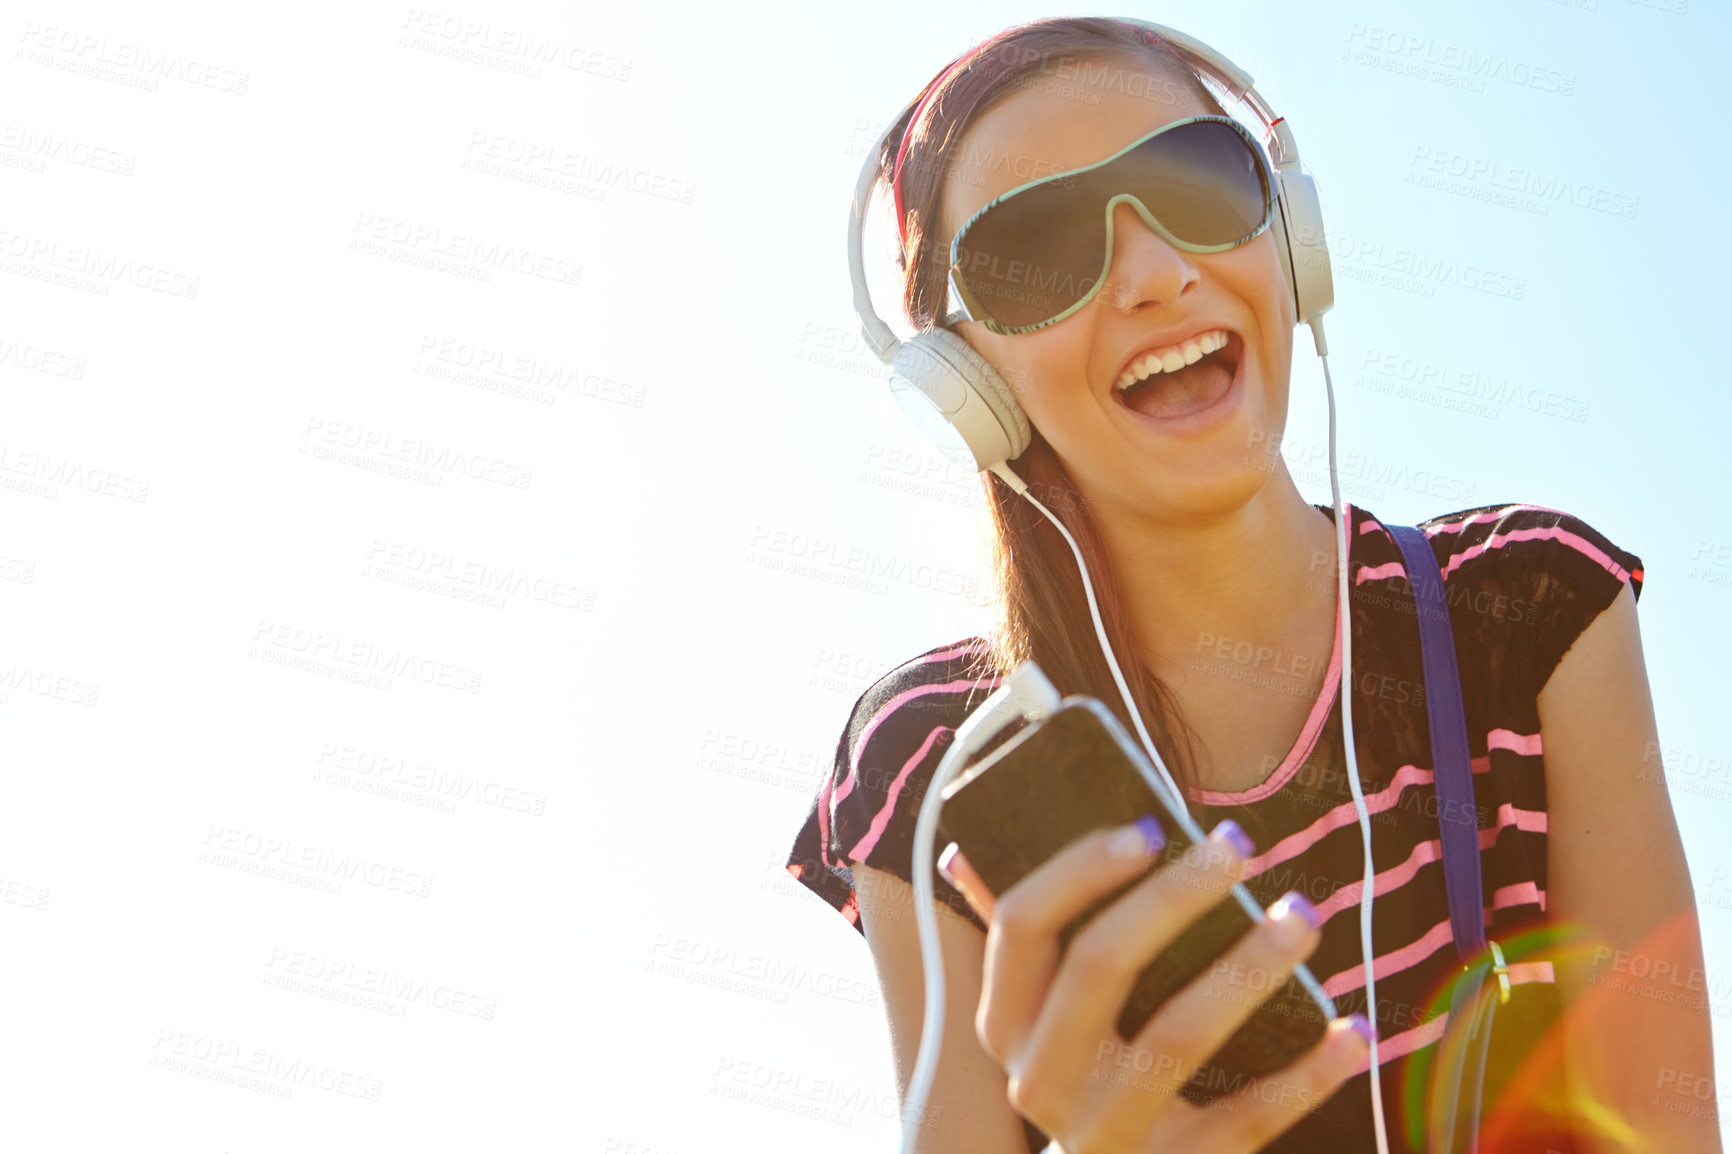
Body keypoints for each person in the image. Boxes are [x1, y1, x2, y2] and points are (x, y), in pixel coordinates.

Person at [784, 16, 1715, 1154]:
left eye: (1194, 181)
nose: (1155, 274)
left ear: (1291, 235)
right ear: (964, 381)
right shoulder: (936, 763)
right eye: (1038, 251)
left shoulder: (1531, 611)